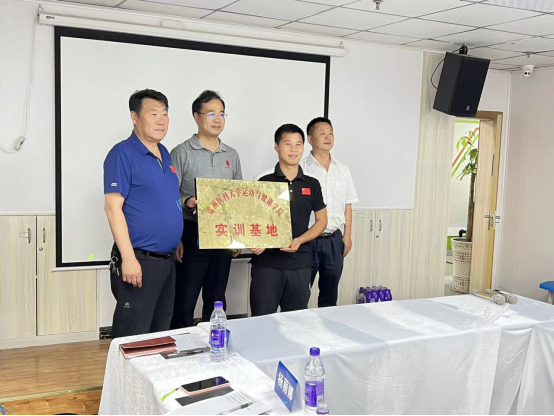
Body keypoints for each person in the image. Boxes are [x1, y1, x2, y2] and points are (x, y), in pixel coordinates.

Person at [103, 89, 183, 338]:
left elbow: (165, 200)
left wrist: (176, 237)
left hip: (167, 261)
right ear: (135, 117)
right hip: (140, 260)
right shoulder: (122, 154)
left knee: (160, 333)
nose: (161, 121)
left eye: (165, 114)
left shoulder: (165, 153)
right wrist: (128, 258)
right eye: (153, 114)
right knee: (133, 336)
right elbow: (112, 208)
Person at [170, 90, 243, 329]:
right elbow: (169, 195)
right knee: (185, 298)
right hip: (191, 233)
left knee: (217, 297)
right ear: (196, 117)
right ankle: (182, 343)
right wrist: (187, 202)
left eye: (221, 114)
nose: (217, 119)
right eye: (211, 114)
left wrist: (237, 237)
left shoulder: (231, 154)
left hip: (222, 235)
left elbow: (238, 197)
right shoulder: (181, 152)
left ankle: (214, 343)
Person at [250, 124, 328, 317]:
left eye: (298, 144)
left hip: (300, 264)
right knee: (262, 321)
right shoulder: (264, 181)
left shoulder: (312, 184)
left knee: (296, 322)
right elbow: (251, 220)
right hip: (267, 265)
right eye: (287, 144)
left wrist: (300, 240)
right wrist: (254, 241)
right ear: (276, 147)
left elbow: (321, 221)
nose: (293, 149)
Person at [300, 117, 359, 308]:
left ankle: (326, 327)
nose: (328, 137)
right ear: (310, 139)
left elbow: (347, 205)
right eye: (322, 133)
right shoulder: (301, 169)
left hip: (334, 240)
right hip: (307, 240)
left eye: (330, 133)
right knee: (300, 293)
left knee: (329, 296)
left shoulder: (342, 169)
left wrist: (347, 236)